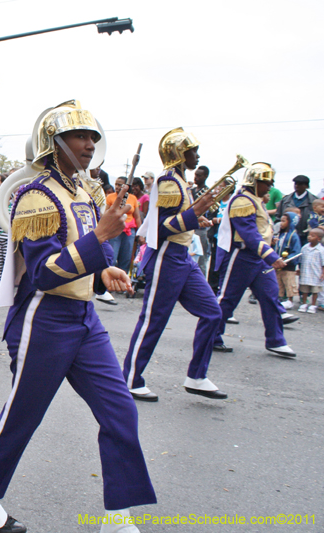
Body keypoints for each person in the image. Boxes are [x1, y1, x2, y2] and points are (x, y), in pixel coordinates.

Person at [0, 101, 155, 533]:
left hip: (85, 318)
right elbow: (45, 274)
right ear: (55, 142)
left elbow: (84, 248)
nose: (90, 144)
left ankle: (118, 515)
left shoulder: (83, 192)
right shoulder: (36, 195)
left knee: (120, 410)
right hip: (44, 318)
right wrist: (101, 235)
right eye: (80, 136)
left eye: (92, 137)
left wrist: (103, 271)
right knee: (23, 415)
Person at [123, 128, 226, 402]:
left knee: (213, 312)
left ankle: (196, 376)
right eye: (193, 151)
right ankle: (130, 379)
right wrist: (195, 213)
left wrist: (195, 217)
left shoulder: (179, 180)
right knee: (153, 321)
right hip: (167, 255)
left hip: (183, 256)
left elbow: (177, 219)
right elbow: (162, 226)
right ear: (180, 153)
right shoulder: (169, 181)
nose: (197, 156)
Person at [213, 163, 297, 357]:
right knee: (227, 299)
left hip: (259, 257)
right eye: (266, 182)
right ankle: (210, 335)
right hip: (241, 256)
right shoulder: (242, 200)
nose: (269, 187)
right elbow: (248, 234)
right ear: (254, 181)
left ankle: (276, 340)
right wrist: (272, 256)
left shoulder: (255, 199)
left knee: (270, 296)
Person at [105, 177, 141, 272]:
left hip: (129, 231)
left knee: (126, 259)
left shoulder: (133, 198)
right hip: (114, 229)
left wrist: (140, 233)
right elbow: (106, 214)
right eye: (116, 184)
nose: (117, 187)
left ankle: (122, 279)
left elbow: (137, 217)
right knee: (112, 257)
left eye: (120, 185)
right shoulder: (110, 197)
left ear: (126, 186)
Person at [275, 175, 319, 241]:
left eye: (300, 184)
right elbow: (278, 217)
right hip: (286, 237)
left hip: (307, 237)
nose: (297, 186)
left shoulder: (314, 201)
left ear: (306, 186)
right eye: (295, 183)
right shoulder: (285, 200)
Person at [274, 212, 302, 309]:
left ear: (291, 222)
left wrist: (288, 259)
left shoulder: (294, 236)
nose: (281, 223)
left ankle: (290, 300)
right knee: (279, 282)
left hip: (288, 264)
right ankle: (280, 298)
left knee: (289, 282)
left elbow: (296, 251)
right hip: (279, 263)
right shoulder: (280, 235)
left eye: (283, 221)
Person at [190, 165, 212, 275]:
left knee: (201, 259)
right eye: (195, 175)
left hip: (201, 229)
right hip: (190, 227)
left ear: (205, 176)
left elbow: (211, 212)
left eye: (199, 175)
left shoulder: (208, 192)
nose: (196, 178)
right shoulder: (191, 191)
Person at [298, 227, 324, 313]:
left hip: (316, 273)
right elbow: (301, 260)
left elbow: (323, 263)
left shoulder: (321, 250)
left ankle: (313, 305)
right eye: (309, 235)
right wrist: (299, 269)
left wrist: (322, 273)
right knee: (304, 289)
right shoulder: (304, 248)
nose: (309, 237)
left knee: (315, 290)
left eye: (312, 236)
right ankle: (304, 303)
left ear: (319, 239)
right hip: (305, 273)